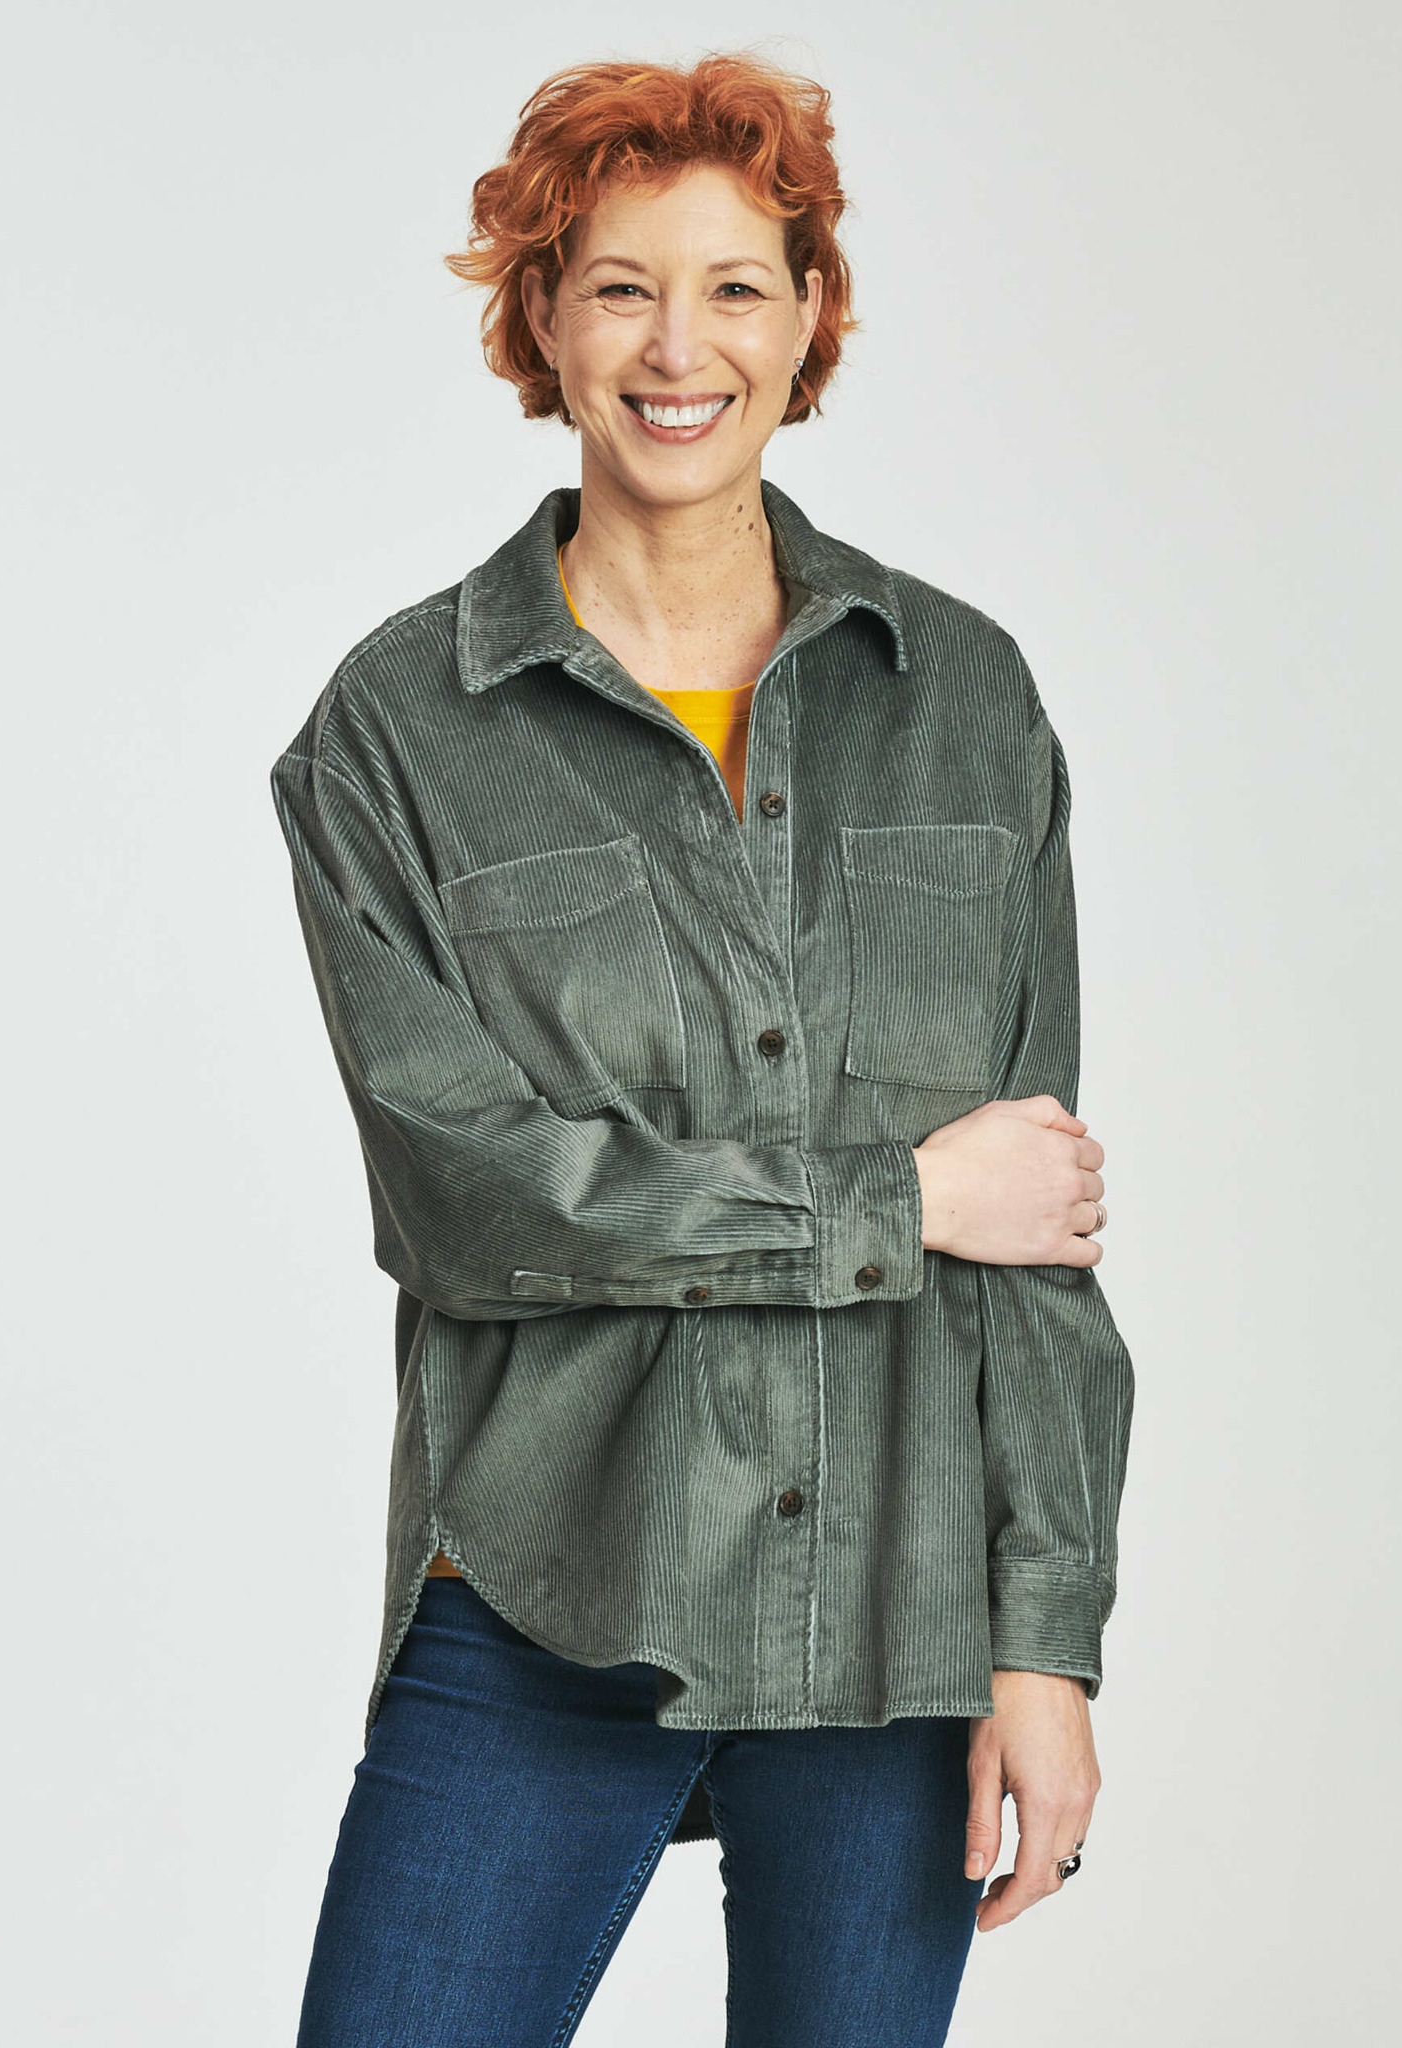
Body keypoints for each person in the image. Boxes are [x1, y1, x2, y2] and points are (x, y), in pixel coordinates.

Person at [270, 50, 1135, 2048]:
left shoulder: (962, 700)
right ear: (543, 319)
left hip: (896, 1619)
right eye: (621, 288)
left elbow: (1038, 1240)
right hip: (551, 1591)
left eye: (738, 285)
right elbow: (476, 1203)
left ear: (812, 313)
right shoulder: (397, 732)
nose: (681, 348)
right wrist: (896, 1198)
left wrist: (1047, 1642)